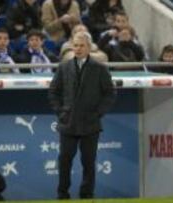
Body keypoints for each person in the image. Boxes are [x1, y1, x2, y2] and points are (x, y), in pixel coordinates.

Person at [48, 31, 115, 199]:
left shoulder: (99, 68)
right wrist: (61, 112)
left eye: (81, 45)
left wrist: (98, 113)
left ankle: (87, 195)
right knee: (64, 161)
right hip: (68, 122)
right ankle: (62, 194)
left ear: (89, 47)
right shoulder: (64, 67)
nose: (78, 49)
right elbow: (53, 92)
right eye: (75, 45)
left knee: (88, 163)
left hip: (90, 123)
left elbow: (110, 93)